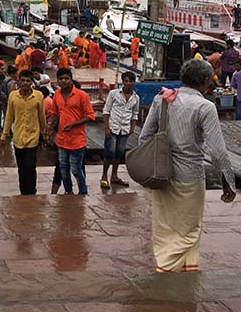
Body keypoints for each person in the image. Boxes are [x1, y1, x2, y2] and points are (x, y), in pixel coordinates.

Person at [140, 59, 236, 273]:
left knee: (166, 227)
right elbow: (217, 151)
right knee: (190, 228)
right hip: (190, 176)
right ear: (203, 81)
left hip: (162, 174)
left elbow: (145, 137)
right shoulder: (205, 106)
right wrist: (227, 180)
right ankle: (166, 270)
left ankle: (183, 268)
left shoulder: (162, 99)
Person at [47, 68, 95, 195]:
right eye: (61, 79)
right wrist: (50, 126)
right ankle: (68, 191)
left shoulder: (82, 95)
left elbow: (90, 115)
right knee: (63, 168)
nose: (64, 81)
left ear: (71, 79)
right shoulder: (57, 94)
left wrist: (74, 124)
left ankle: (83, 192)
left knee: (76, 169)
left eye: (66, 78)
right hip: (62, 139)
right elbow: (54, 112)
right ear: (57, 81)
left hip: (77, 139)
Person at [1, 70, 46, 195]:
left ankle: (31, 191)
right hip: (18, 137)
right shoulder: (13, 96)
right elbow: (9, 116)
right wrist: (4, 135)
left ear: (32, 82)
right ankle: (23, 191)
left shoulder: (38, 96)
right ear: (18, 81)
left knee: (30, 166)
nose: (25, 83)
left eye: (28, 81)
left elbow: (41, 116)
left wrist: (45, 132)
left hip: (33, 137)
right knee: (21, 167)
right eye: (23, 80)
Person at [100, 72, 139, 189]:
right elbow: (106, 111)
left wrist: (132, 127)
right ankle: (104, 176)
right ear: (123, 82)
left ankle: (114, 176)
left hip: (125, 129)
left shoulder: (136, 98)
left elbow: (135, 114)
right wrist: (106, 127)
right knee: (109, 153)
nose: (128, 83)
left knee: (119, 153)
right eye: (126, 81)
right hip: (113, 127)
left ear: (133, 82)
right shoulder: (113, 94)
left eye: (130, 81)